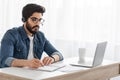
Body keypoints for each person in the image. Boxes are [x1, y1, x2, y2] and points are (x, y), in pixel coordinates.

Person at [0, 3, 63, 68]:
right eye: (34, 19)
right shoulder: (11, 34)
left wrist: (52, 58)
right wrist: (27, 63)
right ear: (24, 19)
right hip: (11, 76)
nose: (38, 24)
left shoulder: (40, 36)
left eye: (40, 20)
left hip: (32, 75)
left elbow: (59, 54)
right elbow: (5, 60)